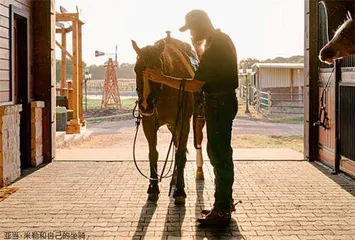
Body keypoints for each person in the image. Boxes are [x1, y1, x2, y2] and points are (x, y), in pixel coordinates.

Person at [143, 9, 238, 226]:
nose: (192, 34)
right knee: (218, 152)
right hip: (221, 101)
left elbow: (194, 85)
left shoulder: (216, 47)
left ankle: (222, 210)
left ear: (201, 25)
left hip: (219, 103)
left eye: (193, 29)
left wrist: (162, 78)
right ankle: (223, 202)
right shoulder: (220, 40)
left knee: (219, 154)